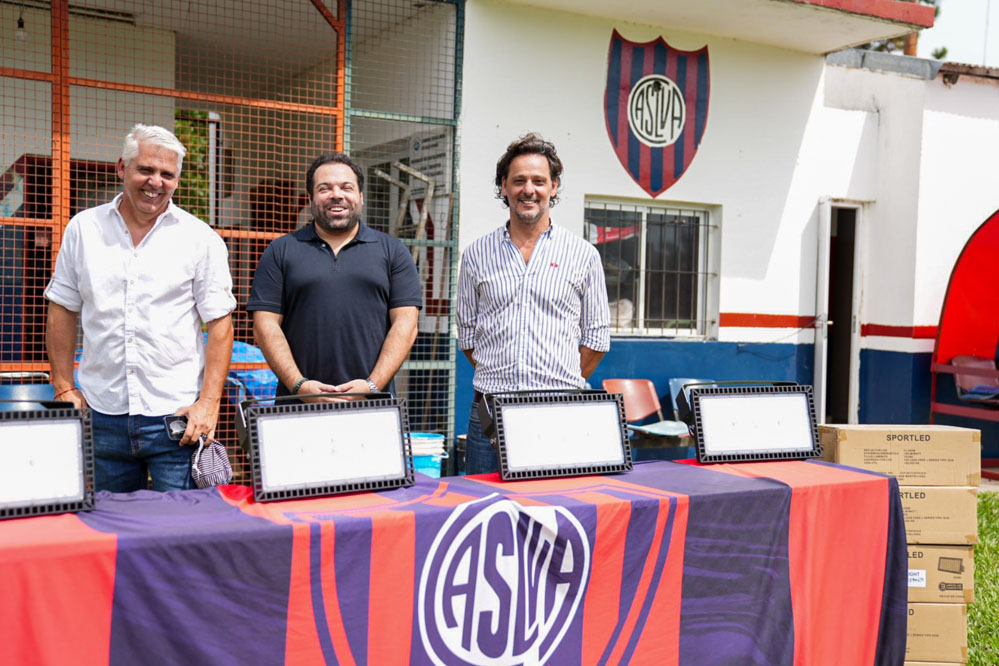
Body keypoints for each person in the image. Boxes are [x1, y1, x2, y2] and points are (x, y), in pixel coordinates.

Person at [45, 123, 236, 492]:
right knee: (108, 535)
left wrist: (209, 403)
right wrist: (64, 386)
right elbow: (62, 308)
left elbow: (220, 325)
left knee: (180, 537)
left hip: (176, 420)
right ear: (122, 168)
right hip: (101, 414)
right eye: (146, 170)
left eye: (167, 174)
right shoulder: (83, 229)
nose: (156, 182)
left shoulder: (200, 239)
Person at [456, 133, 611, 474]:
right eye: (519, 181)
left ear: (554, 187)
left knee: (555, 512)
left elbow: (596, 339)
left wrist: (559, 382)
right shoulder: (476, 255)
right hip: (488, 412)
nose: (529, 189)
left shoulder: (583, 255)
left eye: (539, 181)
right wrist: (499, 375)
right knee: (487, 510)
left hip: (558, 411)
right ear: (504, 186)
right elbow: (468, 336)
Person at [247, 153, 421, 401]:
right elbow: (265, 325)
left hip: (373, 407)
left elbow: (406, 325)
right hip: (296, 406)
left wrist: (371, 386)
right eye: (324, 188)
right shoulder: (281, 250)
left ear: (360, 196)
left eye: (346, 187)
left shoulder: (393, 251)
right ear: (310, 198)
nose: (336, 195)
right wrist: (299, 386)